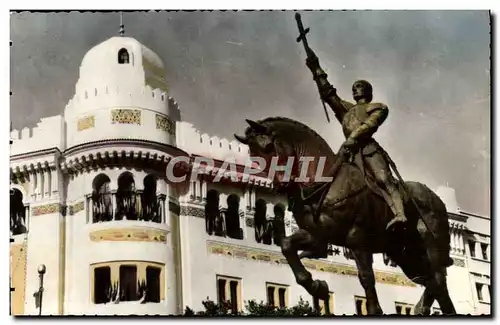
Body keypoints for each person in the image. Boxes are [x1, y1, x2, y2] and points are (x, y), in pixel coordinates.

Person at [305, 51, 407, 232]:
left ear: (367, 91)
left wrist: (353, 137)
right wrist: (316, 68)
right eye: (353, 87)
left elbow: (370, 125)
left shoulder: (378, 108)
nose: (354, 89)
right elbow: (329, 95)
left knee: (383, 178)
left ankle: (400, 213)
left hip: (368, 150)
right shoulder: (347, 110)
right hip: (349, 153)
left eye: (358, 86)